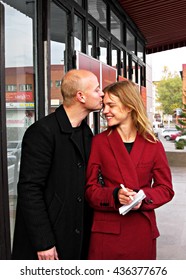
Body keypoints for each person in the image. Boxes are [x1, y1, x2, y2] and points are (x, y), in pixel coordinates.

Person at [12, 69, 104, 260]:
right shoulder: (42, 132)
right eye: (96, 90)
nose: (102, 94)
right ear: (80, 96)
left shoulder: (86, 133)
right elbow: (30, 189)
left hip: (76, 239)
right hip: (48, 245)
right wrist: (43, 241)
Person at [85, 80, 174, 260]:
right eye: (104, 105)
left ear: (129, 107)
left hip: (141, 230)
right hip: (106, 233)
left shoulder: (153, 145)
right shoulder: (99, 142)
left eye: (111, 105)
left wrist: (142, 197)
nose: (105, 111)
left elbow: (165, 189)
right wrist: (114, 195)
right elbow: (90, 190)